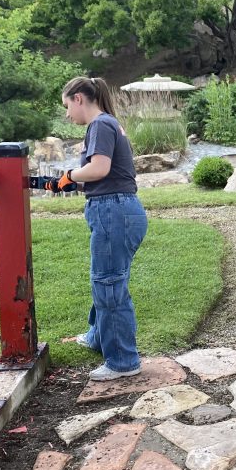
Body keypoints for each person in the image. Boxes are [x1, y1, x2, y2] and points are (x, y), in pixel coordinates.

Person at [58, 76, 148, 381]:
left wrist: (68, 175)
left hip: (114, 212)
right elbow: (101, 174)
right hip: (116, 210)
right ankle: (98, 336)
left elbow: (100, 168)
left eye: (67, 106)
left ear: (79, 98)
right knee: (107, 279)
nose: (67, 114)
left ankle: (123, 361)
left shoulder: (100, 125)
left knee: (109, 283)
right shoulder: (107, 124)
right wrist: (68, 182)